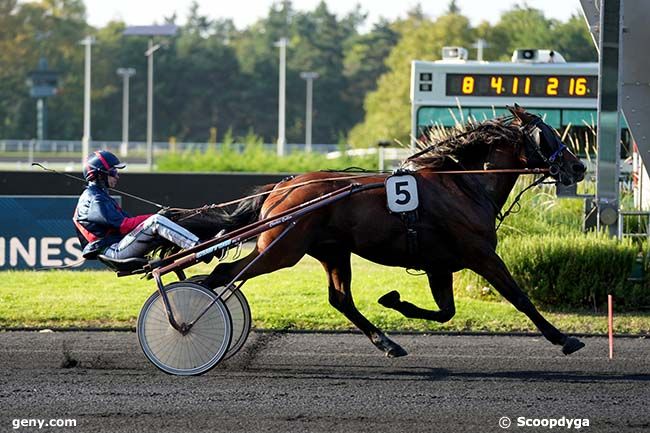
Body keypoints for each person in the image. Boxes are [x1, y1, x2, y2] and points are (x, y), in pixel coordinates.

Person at [73, 150, 200, 262]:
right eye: (113, 172)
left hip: (117, 246)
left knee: (158, 221)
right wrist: (155, 216)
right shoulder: (94, 199)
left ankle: (197, 241)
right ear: (100, 175)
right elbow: (124, 225)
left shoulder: (99, 195)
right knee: (156, 221)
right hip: (114, 251)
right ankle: (197, 246)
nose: (117, 176)